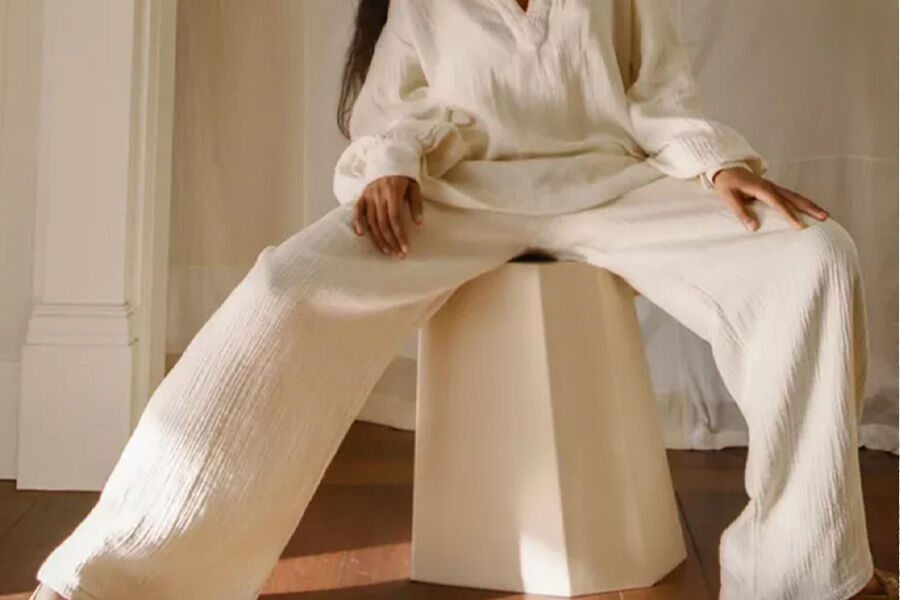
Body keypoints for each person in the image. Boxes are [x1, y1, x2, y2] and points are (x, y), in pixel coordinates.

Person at [30, 1, 897, 599]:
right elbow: (391, 109)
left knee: (813, 257)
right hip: (456, 196)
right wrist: (391, 165)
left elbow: (658, 93)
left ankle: (808, 570)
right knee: (282, 290)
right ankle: (123, 573)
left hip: (612, 186)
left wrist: (718, 163)